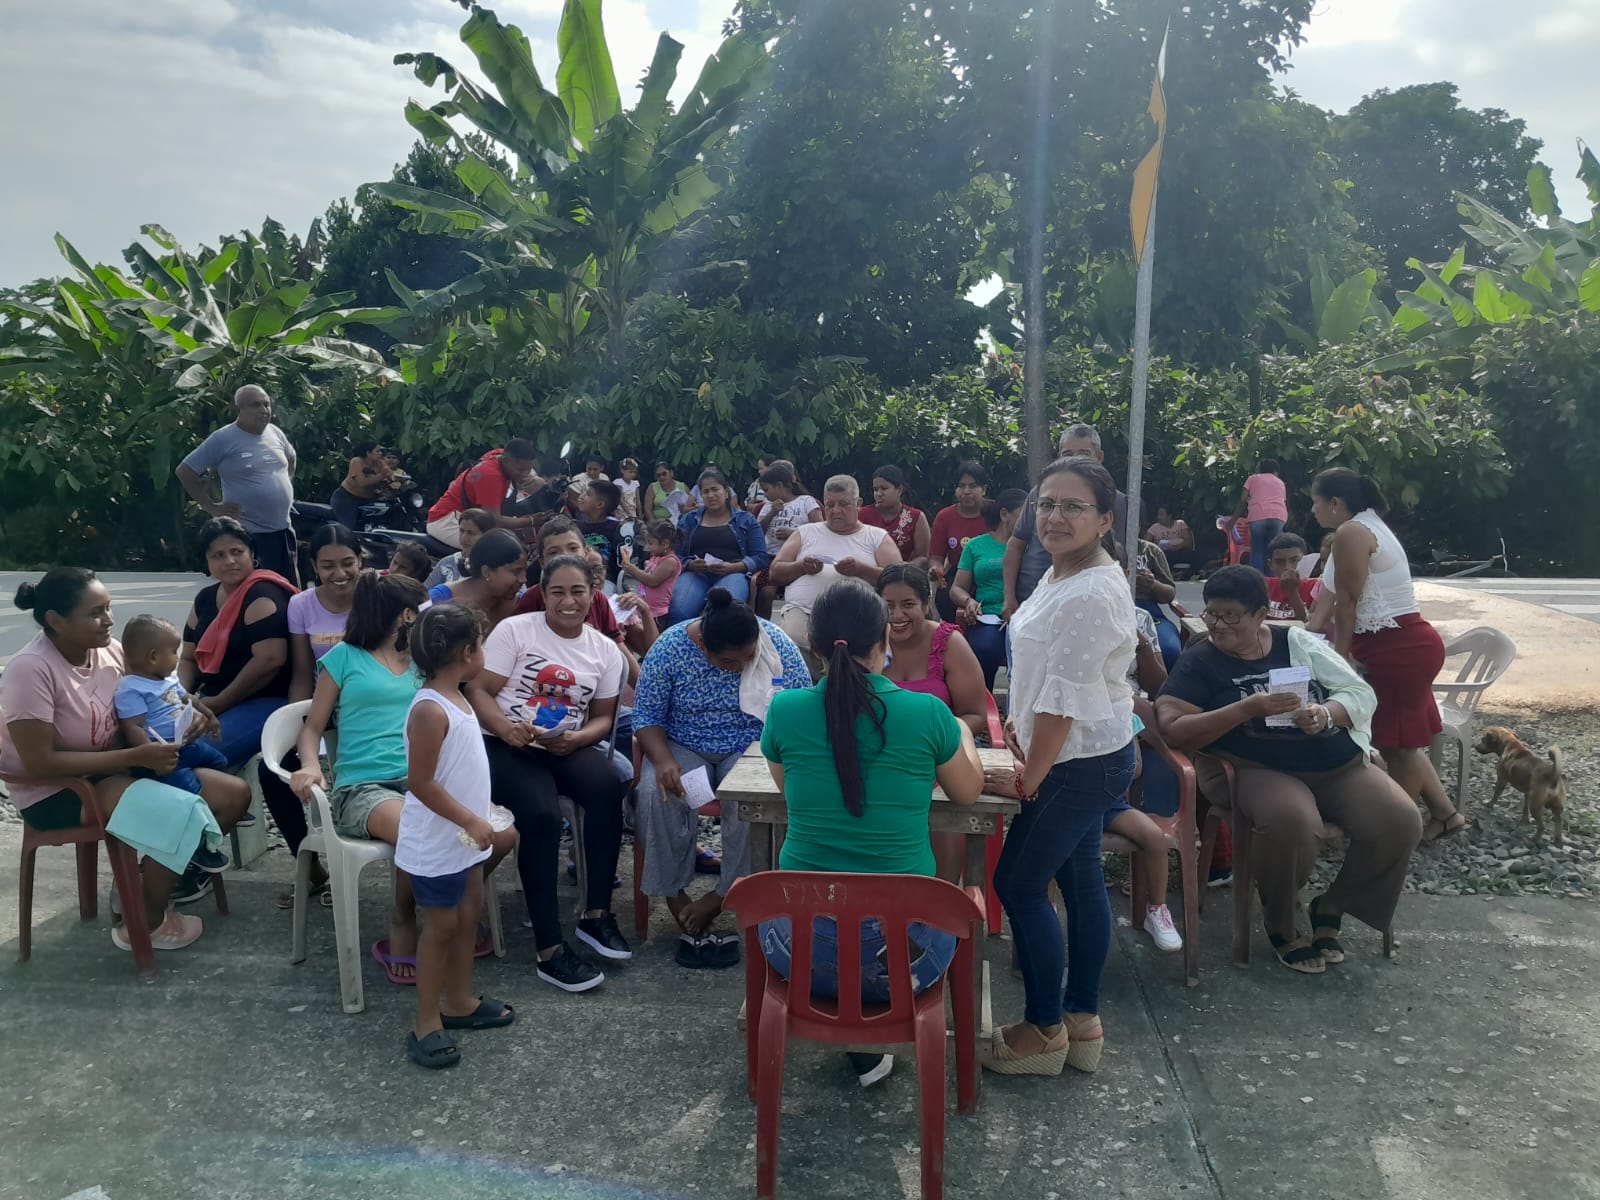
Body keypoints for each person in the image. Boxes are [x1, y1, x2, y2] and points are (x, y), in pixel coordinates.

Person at [759, 579, 984, 1087]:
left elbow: (786, 787)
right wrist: (961, 732)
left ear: (815, 646)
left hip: (800, 956)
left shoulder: (784, 711)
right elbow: (968, 792)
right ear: (885, 638)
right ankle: (868, 1039)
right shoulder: (928, 714)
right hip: (904, 961)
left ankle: (855, 1042)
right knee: (947, 904)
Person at [1155, 566, 1423, 972]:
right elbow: (1172, 727)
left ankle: (1333, 905)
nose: (1218, 625)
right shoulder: (1201, 661)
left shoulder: (1294, 641)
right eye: (1212, 613)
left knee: (1400, 821)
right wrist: (1245, 709)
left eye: (1231, 616)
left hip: (1333, 763)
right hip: (1255, 767)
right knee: (1292, 821)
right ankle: (1281, 923)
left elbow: (1359, 692)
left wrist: (1326, 713)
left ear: (1261, 614)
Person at [985, 457, 1137, 1077]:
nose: (1055, 517)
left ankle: (1044, 1030)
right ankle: (1081, 1019)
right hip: (1087, 753)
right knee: (1080, 881)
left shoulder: (1090, 592)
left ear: (1105, 520)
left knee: (1019, 884)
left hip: (1075, 763)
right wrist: (1018, 730)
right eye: (1046, 504)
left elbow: (1062, 702)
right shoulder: (1062, 572)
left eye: (1074, 507)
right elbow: (1045, 676)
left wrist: (1030, 777)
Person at [1, 570, 245, 950]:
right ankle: (144, 923)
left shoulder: (109, 650)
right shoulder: (30, 670)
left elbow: (154, 694)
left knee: (233, 795)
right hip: (59, 790)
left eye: (109, 608)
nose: (109, 619)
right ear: (55, 621)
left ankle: (144, 882)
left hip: (117, 768)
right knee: (175, 812)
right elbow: (39, 763)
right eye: (95, 612)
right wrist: (134, 755)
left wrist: (187, 717)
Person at [467, 554, 632, 993]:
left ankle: (596, 914)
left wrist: (578, 739)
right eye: (557, 591)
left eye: (578, 591)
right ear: (542, 593)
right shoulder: (516, 631)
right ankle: (549, 948)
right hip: (504, 744)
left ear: (594, 593)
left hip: (562, 744)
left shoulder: (604, 650)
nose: (568, 601)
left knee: (608, 785)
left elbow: (603, 718)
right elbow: (478, 690)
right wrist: (507, 729)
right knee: (540, 816)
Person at [634, 589, 811, 965]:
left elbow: (803, 707)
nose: (742, 666)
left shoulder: (775, 644)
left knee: (751, 798)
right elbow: (646, 715)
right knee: (657, 790)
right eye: (730, 661)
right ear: (702, 644)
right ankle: (674, 894)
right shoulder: (669, 648)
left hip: (749, 746)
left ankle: (726, 894)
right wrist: (663, 760)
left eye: (748, 657)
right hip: (684, 746)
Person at [288, 571, 440, 982]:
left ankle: (450, 915)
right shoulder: (343, 657)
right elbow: (312, 727)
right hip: (364, 788)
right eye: (422, 611)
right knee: (418, 829)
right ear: (405, 615)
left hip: (422, 780)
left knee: (498, 834)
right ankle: (404, 918)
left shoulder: (424, 660)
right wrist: (310, 765)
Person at [1309, 468, 1462, 842]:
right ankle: (1445, 814)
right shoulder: (1361, 526)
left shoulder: (1352, 532)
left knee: (1397, 747)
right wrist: (1304, 634)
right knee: (1401, 743)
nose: (1312, 510)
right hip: (1400, 646)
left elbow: (1348, 603)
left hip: (1399, 649)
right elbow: (1324, 604)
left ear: (1335, 503)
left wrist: (1340, 659)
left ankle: (1393, 838)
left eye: (1315, 502)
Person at [399, 603, 516, 1068]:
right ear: (468, 652)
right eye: (481, 644)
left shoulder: (458, 697)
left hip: (463, 840)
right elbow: (420, 782)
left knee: (468, 916)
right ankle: (426, 1020)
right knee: (442, 926)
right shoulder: (431, 709)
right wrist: (469, 819)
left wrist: (474, 819)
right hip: (436, 842)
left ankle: (459, 1000)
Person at [178, 516, 300, 904]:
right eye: (218, 555)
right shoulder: (205, 599)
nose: (229, 561)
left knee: (193, 754)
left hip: (266, 701)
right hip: (211, 700)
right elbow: (187, 657)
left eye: (237, 552)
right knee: (153, 747)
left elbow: (269, 661)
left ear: (252, 554)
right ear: (206, 561)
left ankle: (198, 853)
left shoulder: (262, 594)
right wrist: (181, 697)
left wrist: (213, 705)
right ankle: (187, 840)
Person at [767, 474, 901, 673]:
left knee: (859, 645)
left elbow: (898, 579)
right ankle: (815, 683)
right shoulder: (806, 532)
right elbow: (775, 572)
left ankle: (843, 680)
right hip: (804, 612)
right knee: (792, 637)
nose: (836, 510)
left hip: (858, 616)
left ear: (858, 503)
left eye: (844, 504)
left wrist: (862, 570)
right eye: (830, 505)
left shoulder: (875, 536)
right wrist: (801, 567)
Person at [113, 614, 236, 825]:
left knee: (220, 762)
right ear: (153, 657)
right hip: (167, 755)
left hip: (188, 744)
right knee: (189, 788)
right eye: (173, 652)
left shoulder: (169, 680)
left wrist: (210, 716)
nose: (177, 658)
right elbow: (133, 727)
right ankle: (200, 823)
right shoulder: (131, 689)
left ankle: (224, 803)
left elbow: (190, 699)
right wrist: (153, 757)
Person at [175, 384, 299, 585]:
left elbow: (291, 458)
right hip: (250, 534)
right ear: (239, 409)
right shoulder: (223, 438)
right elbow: (185, 471)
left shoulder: (275, 432)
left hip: (282, 531)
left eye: (266, 404)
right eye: (255, 405)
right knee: (257, 593)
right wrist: (211, 507)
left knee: (289, 592)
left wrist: (284, 487)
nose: (264, 410)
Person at [1002, 425, 1130, 619]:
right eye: (1067, 454)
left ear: (1099, 457)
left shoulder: (1115, 500)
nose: (1055, 518)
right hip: (1031, 600)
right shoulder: (1039, 493)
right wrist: (1009, 597)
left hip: (1083, 605)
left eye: (1073, 507)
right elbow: (1015, 544)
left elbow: (1118, 553)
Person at [949, 487, 1028, 689]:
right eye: (1024, 515)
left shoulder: (1034, 548)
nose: (1030, 522)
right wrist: (969, 601)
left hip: (1025, 617)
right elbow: (957, 588)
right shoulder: (976, 546)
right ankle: (983, 703)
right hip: (988, 617)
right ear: (1004, 514)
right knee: (984, 647)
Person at [670, 468, 769, 622]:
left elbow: (761, 557)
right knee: (680, 609)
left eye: (715, 489)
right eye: (705, 492)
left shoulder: (746, 520)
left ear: (726, 492)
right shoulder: (688, 520)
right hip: (695, 574)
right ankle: (683, 638)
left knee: (724, 611)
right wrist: (689, 564)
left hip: (733, 574)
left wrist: (734, 567)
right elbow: (675, 554)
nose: (711, 495)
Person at [288, 522, 361, 702]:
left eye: (348, 563)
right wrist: (298, 715)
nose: (340, 573)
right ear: (315, 566)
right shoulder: (300, 605)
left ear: (359, 560)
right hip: (325, 705)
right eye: (328, 566)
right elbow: (302, 675)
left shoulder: (379, 599)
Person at [425, 440, 541, 550]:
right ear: (505, 461)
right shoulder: (490, 476)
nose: (525, 474)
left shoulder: (500, 456)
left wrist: (539, 482)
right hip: (446, 521)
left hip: (466, 517)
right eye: (521, 470)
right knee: (492, 550)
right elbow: (493, 520)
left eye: (528, 469)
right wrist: (530, 521)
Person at [425, 529, 528, 631]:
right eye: (516, 571)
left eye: (524, 570)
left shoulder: (524, 605)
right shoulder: (437, 601)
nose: (523, 579)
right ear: (486, 572)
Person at [928, 461, 991, 585]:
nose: (966, 491)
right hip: (957, 579)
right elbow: (936, 558)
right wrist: (936, 570)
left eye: (972, 486)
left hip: (993, 578)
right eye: (961, 486)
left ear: (983, 489)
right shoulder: (944, 517)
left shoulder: (998, 513)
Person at [859, 465, 931, 567]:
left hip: (904, 573)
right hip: (867, 571)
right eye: (875, 489)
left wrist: (902, 569)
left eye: (884, 488)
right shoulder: (862, 514)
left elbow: (923, 557)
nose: (879, 494)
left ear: (900, 490)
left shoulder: (916, 517)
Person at [1131, 537, 1182, 669]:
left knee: (1169, 649)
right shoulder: (1100, 548)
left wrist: (1153, 584)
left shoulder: (1150, 550)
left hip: (1150, 611)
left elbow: (1170, 594)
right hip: (1111, 609)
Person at [618, 521, 681, 618]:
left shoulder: (670, 561)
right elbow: (646, 576)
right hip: (645, 607)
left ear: (665, 544)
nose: (647, 547)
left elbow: (653, 581)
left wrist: (634, 571)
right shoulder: (655, 558)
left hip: (657, 612)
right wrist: (630, 569)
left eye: (651, 543)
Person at [1237, 459, 1289, 575]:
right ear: (1276, 471)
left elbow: (1243, 499)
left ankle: (1257, 579)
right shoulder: (1280, 482)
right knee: (1273, 550)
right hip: (1278, 516)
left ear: (1260, 469)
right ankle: (1272, 579)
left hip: (1258, 515)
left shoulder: (1253, 478)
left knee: (1257, 549)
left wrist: (1233, 519)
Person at [575, 480, 626, 593]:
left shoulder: (617, 529)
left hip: (605, 580)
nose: (581, 496)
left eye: (588, 494)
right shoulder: (575, 528)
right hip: (576, 577)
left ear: (600, 504)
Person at [425, 509, 496, 589]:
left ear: (486, 535)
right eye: (462, 531)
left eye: (471, 533)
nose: (464, 538)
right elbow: (424, 592)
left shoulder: (495, 567)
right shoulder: (446, 563)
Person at [330, 440, 393, 530]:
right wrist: (381, 475)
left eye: (381, 451)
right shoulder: (356, 461)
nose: (381, 453)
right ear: (368, 453)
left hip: (366, 499)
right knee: (348, 527)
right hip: (346, 498)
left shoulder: (379, 462)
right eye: (378, 451)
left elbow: (389, 473)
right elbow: (361, 482)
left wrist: (397, 478)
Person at [1265, 532, 1320, 621]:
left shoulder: (1315, 588)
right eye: (1279, 562)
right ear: (1270, 564)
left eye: (1294, 560)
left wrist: (1292, 592)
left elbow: (1308, 624)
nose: (1287, 567)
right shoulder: (1264, 585)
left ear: (1306, 560)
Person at [1147, 505, 1200, 573]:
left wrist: (1176, 547)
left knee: (1198, 557)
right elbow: (1146, 542)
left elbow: (1188, 540)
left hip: (1181, 551)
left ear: (1169, 516)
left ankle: (1188, 575)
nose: (1158, 517)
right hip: (1163, 553)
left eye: (1161, 514)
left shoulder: (1180, 524)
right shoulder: (1154, 527)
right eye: (1158, 515)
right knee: (1166, 558)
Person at [613, 458, 642, 529]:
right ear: (622, 470)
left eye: (634, 472)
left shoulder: (635, 484)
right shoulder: (618, 482)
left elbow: (638, 500)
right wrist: (628, 514)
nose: (633, 474)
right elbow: (621, 499)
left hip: (633, 512)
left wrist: (640, 515)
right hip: (621, 512)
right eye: (630, 472)